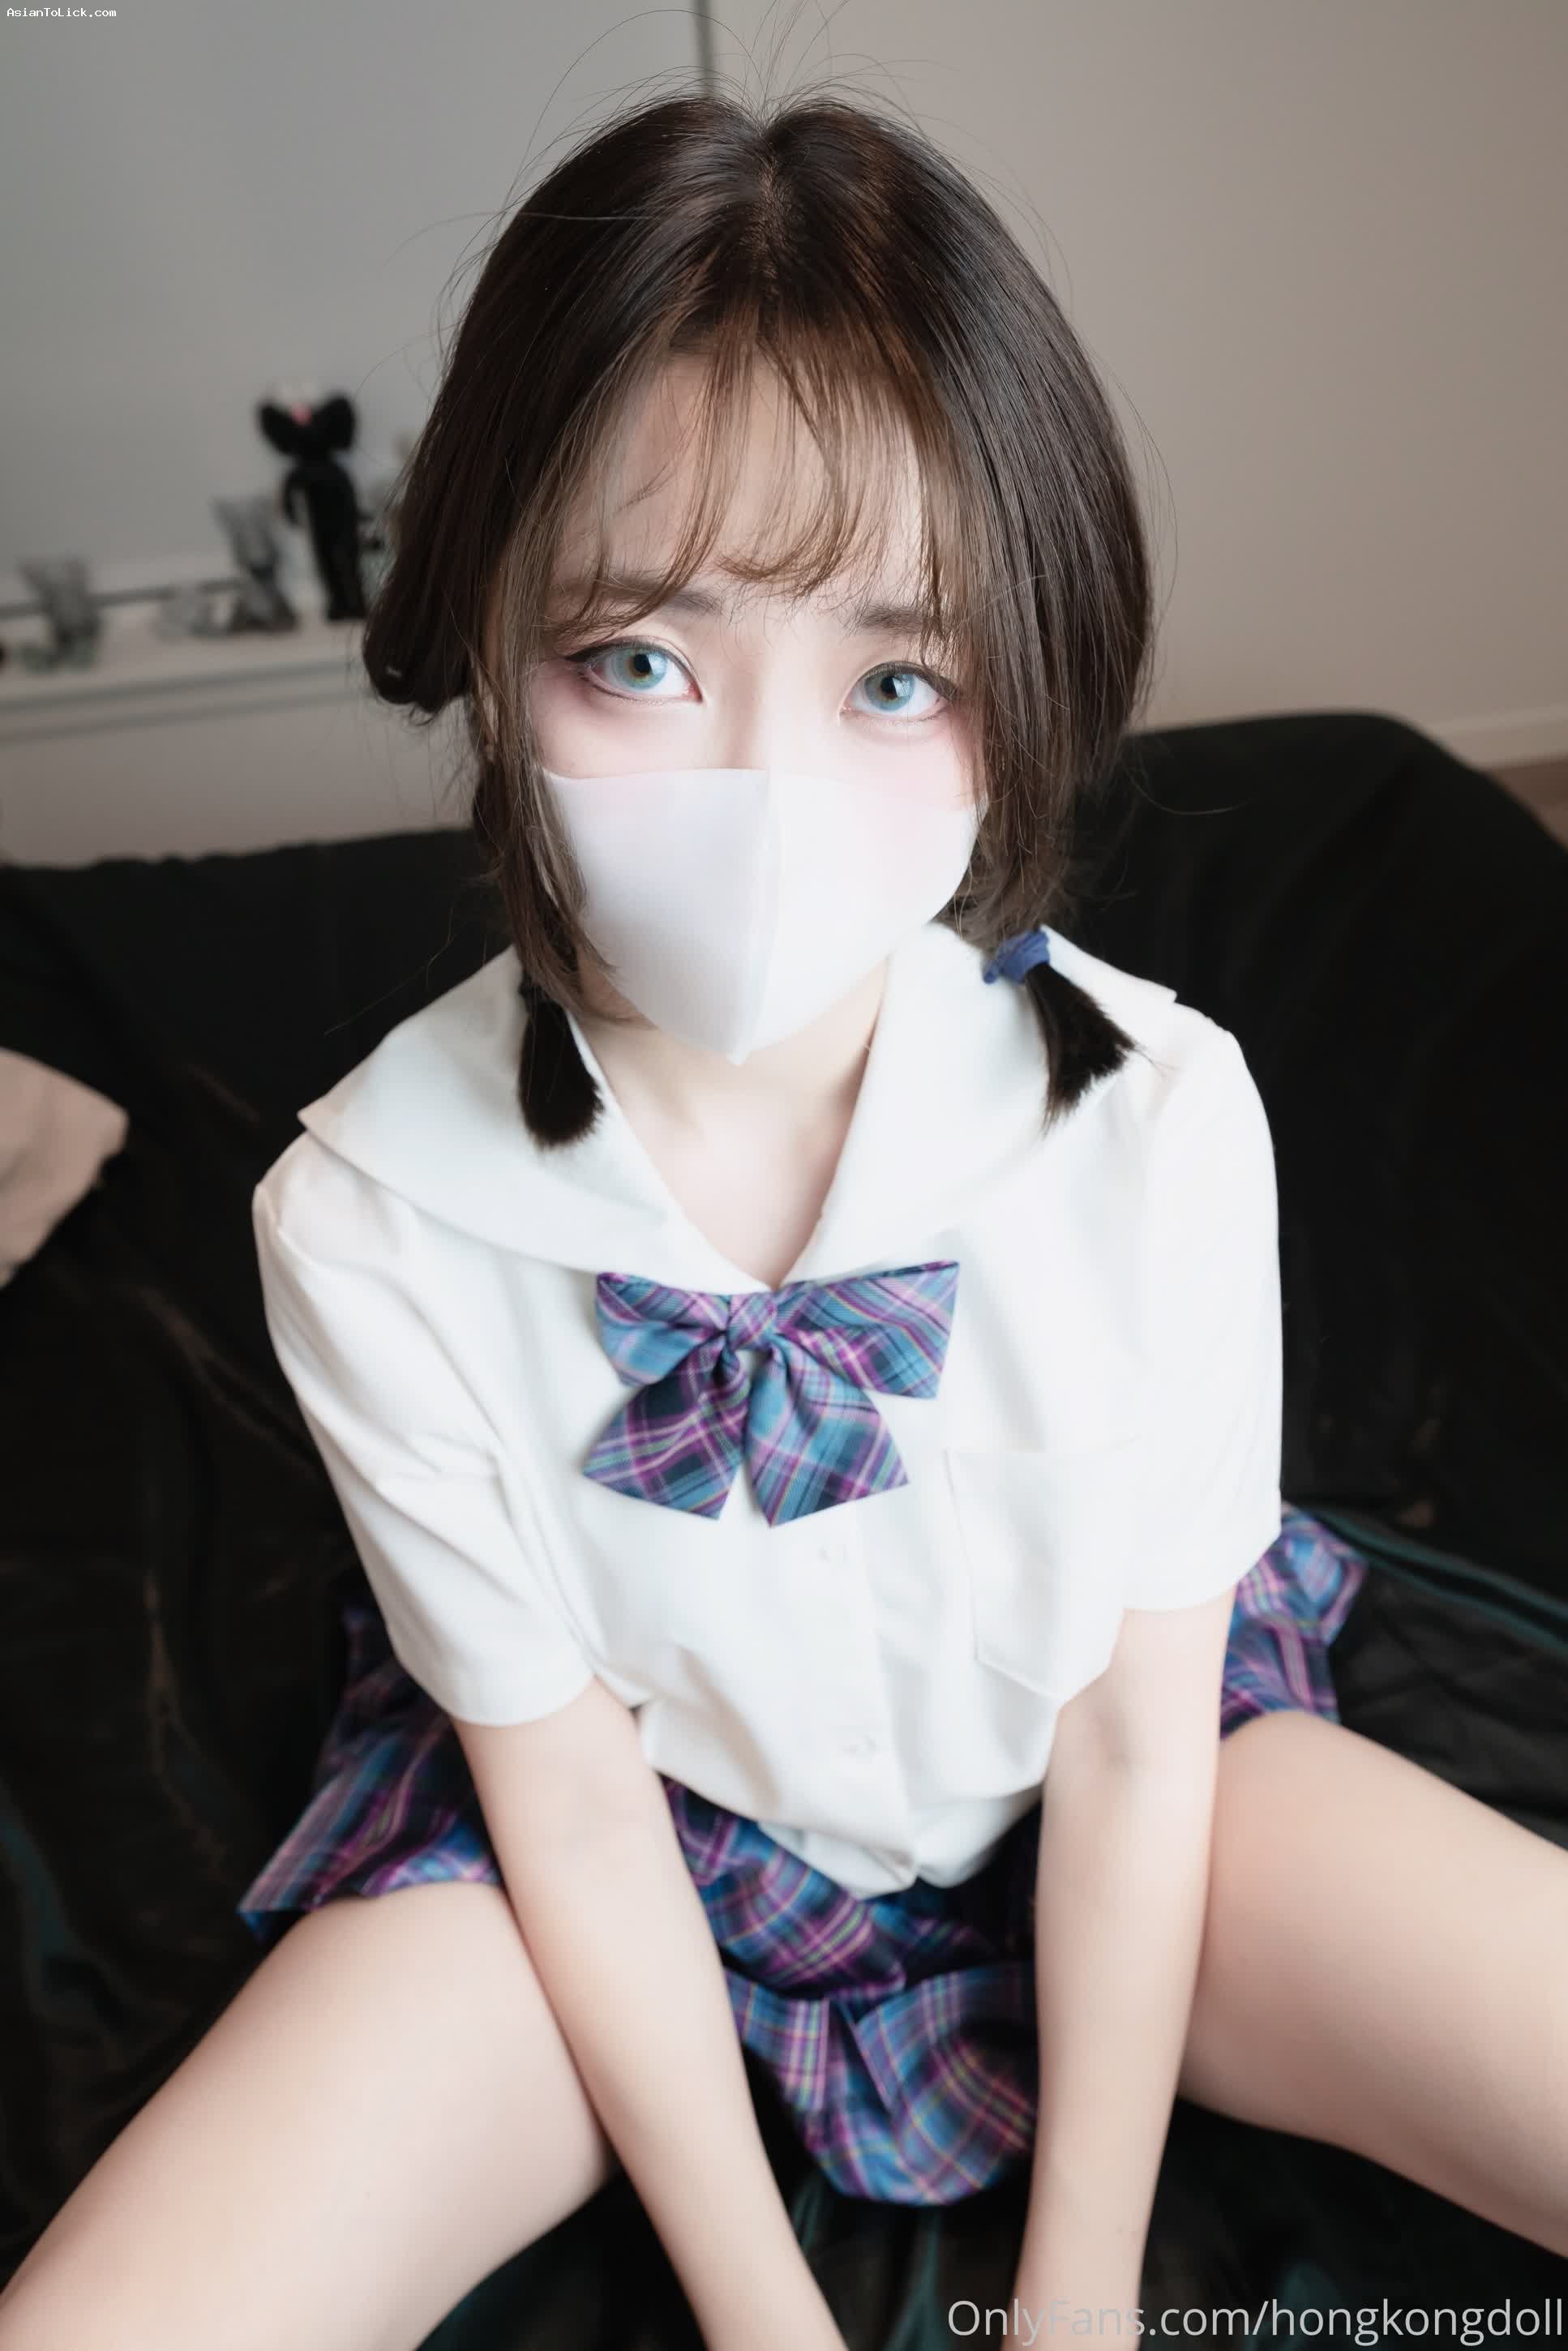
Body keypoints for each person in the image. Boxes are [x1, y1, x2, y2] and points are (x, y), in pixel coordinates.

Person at [3, 80, 1566, 2351]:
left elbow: (1139, 1748)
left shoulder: (1162, 1123)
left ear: (1021, 693)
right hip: (608, 1854)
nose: (764, 788)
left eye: (895, 678)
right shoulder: (362, 1216)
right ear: (491, 634)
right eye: (640, 658)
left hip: (1142, 1799)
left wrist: (1081, 2298)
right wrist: (766, 2318)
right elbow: (569, 1805)